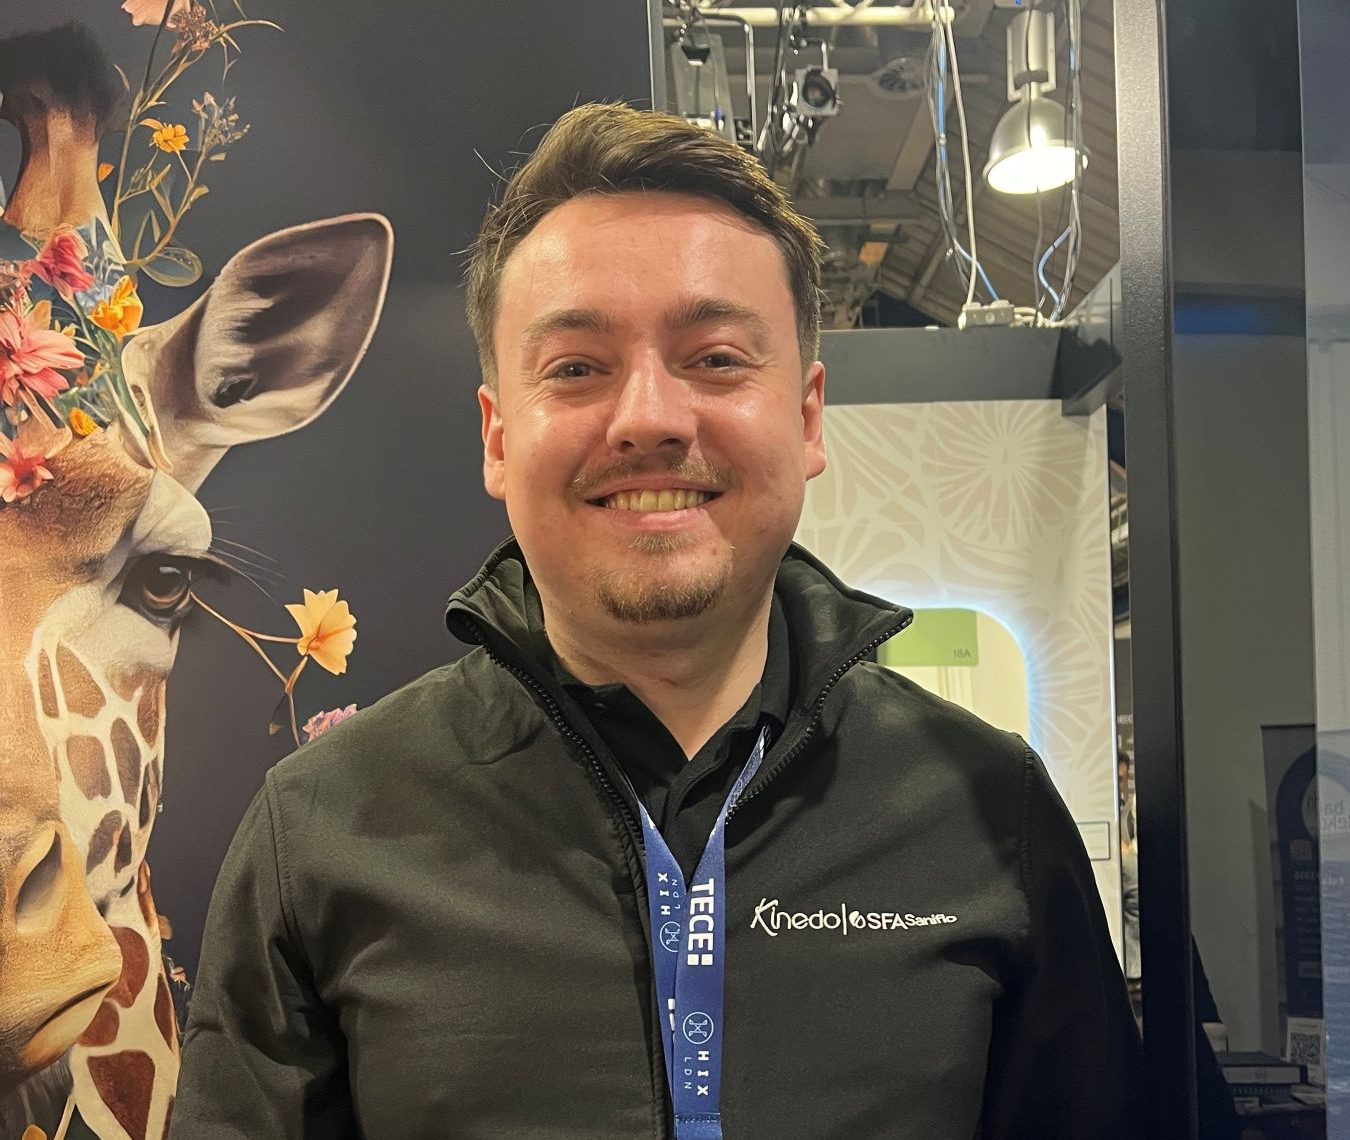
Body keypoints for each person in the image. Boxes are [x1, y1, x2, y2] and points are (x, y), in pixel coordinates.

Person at [172, 102, 1143, 1139]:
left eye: (716, 358)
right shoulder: (323, 831)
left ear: (807, 417)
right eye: (576, 368)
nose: (648, 418)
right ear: (498, 439)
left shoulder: (986, 810)